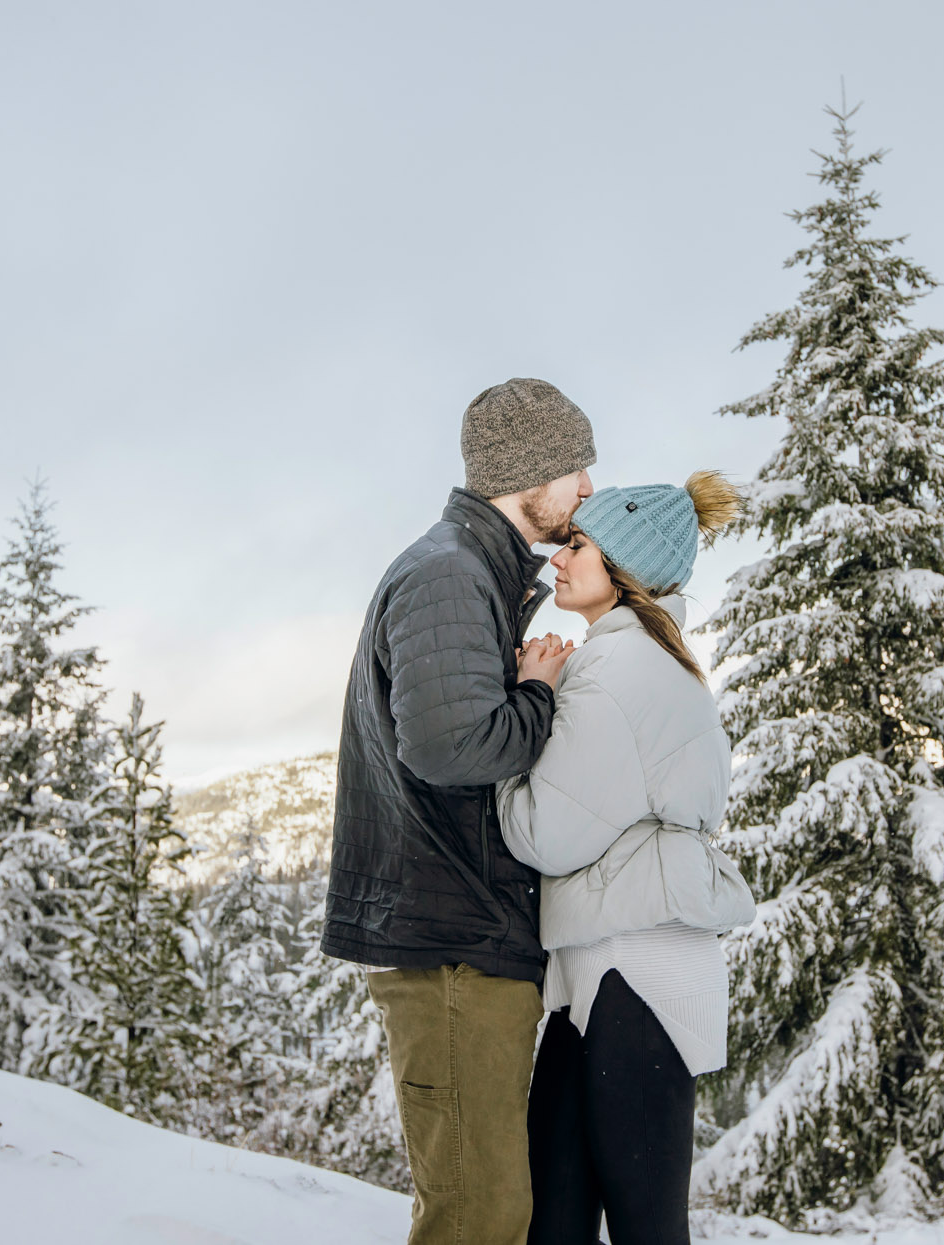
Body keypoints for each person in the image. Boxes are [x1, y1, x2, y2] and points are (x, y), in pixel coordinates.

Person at [323, 377, 593, 1245]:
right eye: (574, 468)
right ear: (526, 475)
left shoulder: (475, 572)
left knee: (491, 1209)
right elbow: (448, 747)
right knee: (478, 1217)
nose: (587, 487)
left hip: (467, 942)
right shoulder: (448, 574)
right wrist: (540, 694)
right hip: (451, 949)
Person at [497, 471, 757, 1245]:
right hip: (615, 975)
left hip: (630, 980)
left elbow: (542, 832)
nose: (559, 557)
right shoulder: (648, 660)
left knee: (619, 1228)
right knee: (574, 1224)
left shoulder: (617, 671)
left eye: (579, 545)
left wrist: (528, 702)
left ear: (627, 568)